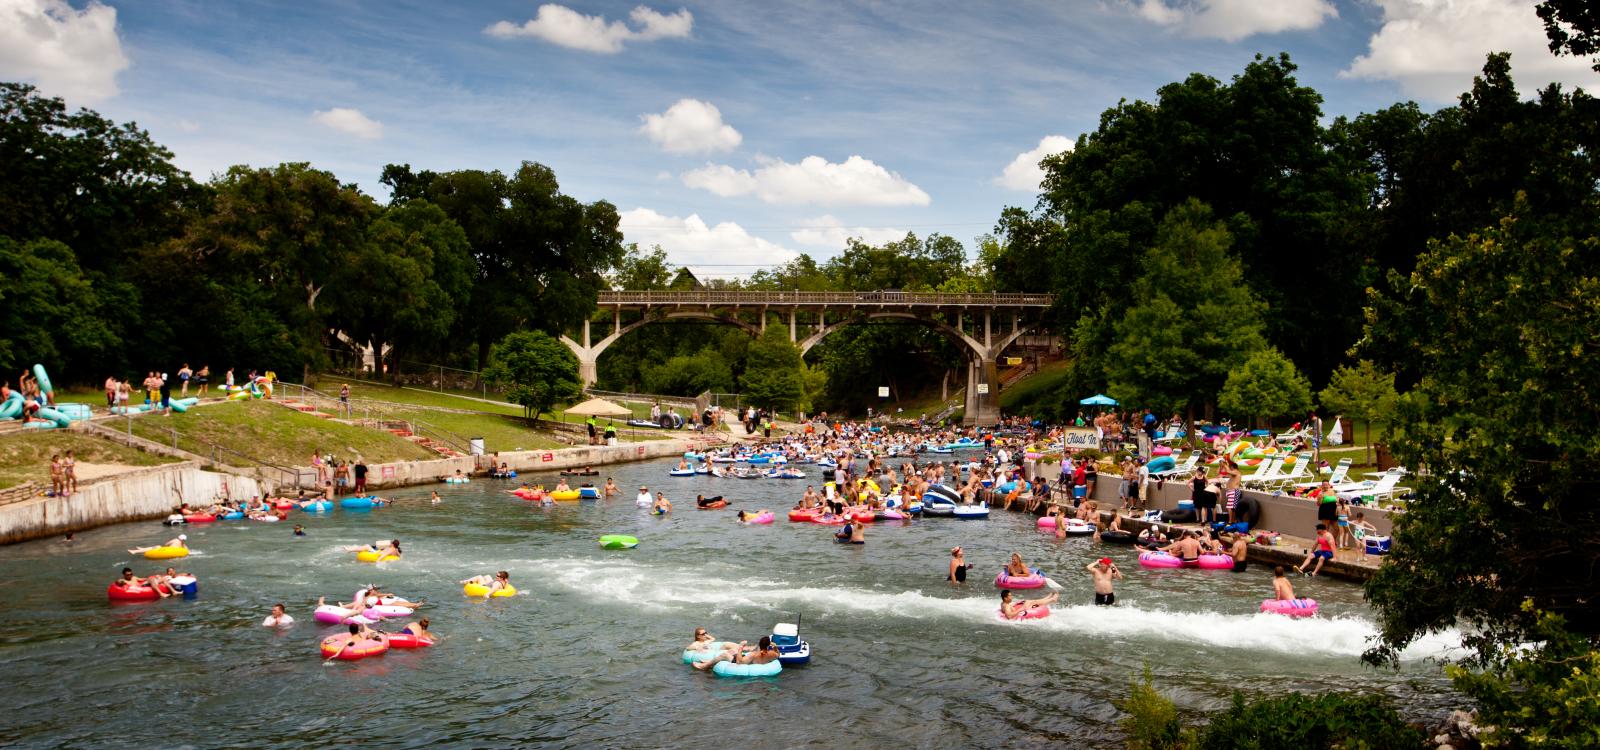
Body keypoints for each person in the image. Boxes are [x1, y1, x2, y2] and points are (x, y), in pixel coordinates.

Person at [692, 636, 780, 670]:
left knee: (725, 654)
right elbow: (778, 654)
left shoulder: (754, 654)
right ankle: (709, 662)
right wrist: (775, 647)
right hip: (750, 661)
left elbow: (739, 662)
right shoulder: (772, 653)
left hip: (745, 664)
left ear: (760, 644)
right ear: (769, 645)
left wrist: (741, 647)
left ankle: (704, 666)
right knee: (732, 651)